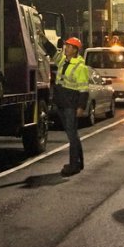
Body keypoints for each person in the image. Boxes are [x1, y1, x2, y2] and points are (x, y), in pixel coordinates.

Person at [53, 37, 90, 176]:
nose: (66, 48)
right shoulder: (63, 61)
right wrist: (43, 38)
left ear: (75, 50)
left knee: (72, 135)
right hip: (62, 102)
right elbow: (52, 53)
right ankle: (79, 163)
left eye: (69, 46)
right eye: (66, 45)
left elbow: (84, 90)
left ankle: (73, 165)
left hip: (70, 104)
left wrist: (81, 107)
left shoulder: (80, 67)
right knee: (73, 134)